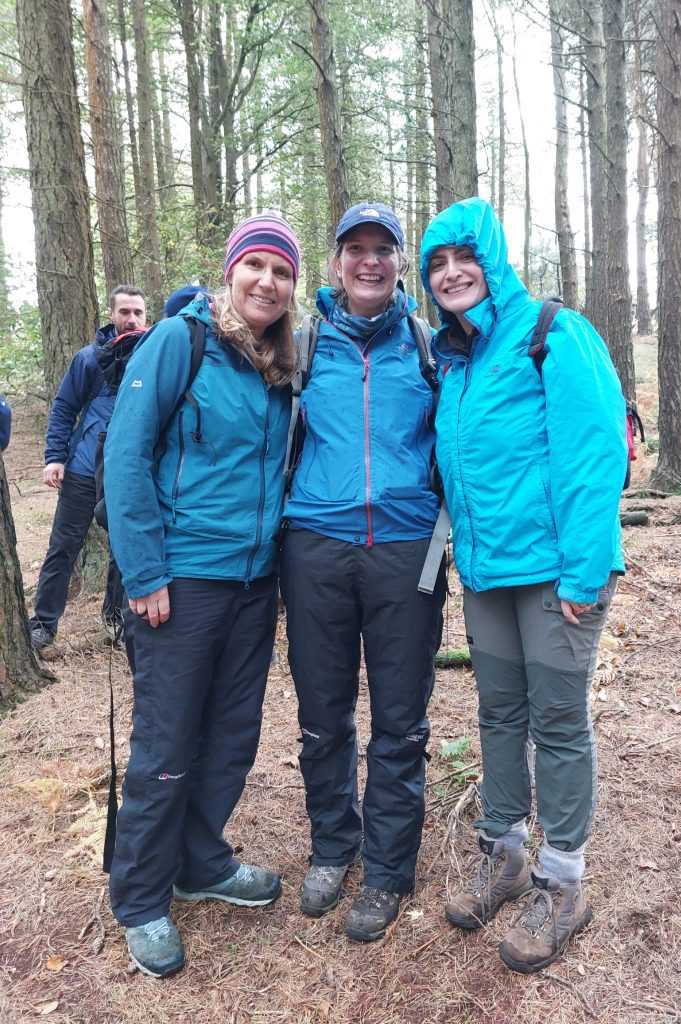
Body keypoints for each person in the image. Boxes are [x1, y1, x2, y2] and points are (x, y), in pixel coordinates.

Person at [419, 197, 627, 974]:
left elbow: (594, 453)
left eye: (461, 257)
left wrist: (585, 569)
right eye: (435, 264)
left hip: (556, 576)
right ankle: (502, 852)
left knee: (559, 722)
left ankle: (564, 882)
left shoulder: (551, 333)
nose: (449, 273)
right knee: (499, 713)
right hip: (487, 573)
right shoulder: (456, 359)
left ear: (492, 258)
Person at [103, 214, 301, 979]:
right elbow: (125, 457)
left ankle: (201, 861)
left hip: (254, 584)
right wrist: (145, 573)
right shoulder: (179, 343)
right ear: (231, 273)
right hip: (180, 584)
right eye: (254, 265)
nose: (267, 281)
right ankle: (142, 897)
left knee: (230, 736)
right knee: (166, 744)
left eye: (280, 271)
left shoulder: (278, 363)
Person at [280, 202, 447, 943]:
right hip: (316, 545)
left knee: (401, 721)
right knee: (322, 715)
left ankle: (385, 869)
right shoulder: (304, 346)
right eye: (356, 249)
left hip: (410, 549)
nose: (370, 261)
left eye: (384, 248)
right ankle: (332, 845)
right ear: (337, 261)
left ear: (401, 261)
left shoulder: (429, 345)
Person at [28, 286, 147, 649]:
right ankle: (44, 625)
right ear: (111, 314)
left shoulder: (153, 355)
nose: (132, 319)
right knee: (64, 545)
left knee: (125, 548)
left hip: (129, 470)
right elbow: (65, 407)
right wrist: (54, 457)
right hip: (81, 469)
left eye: (138, 312)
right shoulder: (89, 360)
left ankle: (117, 621)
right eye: (125, 311)